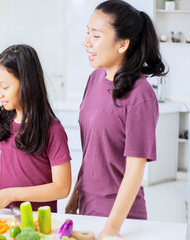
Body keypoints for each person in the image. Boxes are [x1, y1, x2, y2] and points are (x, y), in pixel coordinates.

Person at [65, 0, 167, 239]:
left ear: (122, 44)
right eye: (87, 32)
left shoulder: (140, 95)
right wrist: (75, 198)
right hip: (87, 207)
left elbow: (134, 170)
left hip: (120, 219)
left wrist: (111, 229)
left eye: (96, 36)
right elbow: (92, 150)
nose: (86, 42)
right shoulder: (94, 79)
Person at [0, 44, 72, 213]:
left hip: (36, 221)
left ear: (27, 84)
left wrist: (10, 194)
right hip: (6, 216)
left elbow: (62, 188)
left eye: (4, 87)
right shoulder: (6, 120)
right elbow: (8, 166)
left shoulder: (52, 130)